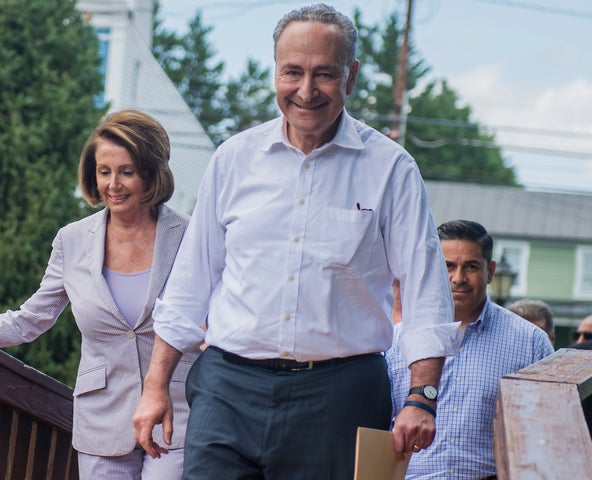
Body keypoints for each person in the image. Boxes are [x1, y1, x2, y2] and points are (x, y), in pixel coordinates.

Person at [132, 4, 461, 478]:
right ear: (275, 72)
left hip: (340, 397)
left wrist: (421, 397)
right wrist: (155, 385)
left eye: (324, 74)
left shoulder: (392, 168)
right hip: (227, 389)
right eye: (293, 72)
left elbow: (427, 292)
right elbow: (191, 281)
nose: (305, 91)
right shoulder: (233, 159)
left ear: (350, 77)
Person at [0, 109, 197, 480]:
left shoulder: (190, 237)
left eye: (126, 171)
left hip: (175, 417)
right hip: (102, 420)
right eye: (104, 171)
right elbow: (29, 319)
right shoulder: (72, 240)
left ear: (151, 173)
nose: (113, 184)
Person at [387, 220, 554, 479]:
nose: (458, 278)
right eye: (448, 266)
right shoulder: (395, 341)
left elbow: (546, 431)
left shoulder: (531, 342)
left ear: (490, 271)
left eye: (471, 267)